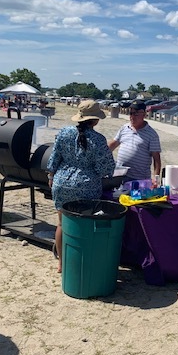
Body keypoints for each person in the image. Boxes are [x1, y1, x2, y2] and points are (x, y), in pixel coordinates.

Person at [47, 100, 115, 272]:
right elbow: (105, 168)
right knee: (84, 225)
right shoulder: (98, 139)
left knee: (62, 224)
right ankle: (81, 264)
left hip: (62, 182)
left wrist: (51, 176)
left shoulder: (64, 132)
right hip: (86, 185)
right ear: (96, 120)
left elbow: (53, 158)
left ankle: (62, 263)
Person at [108, 100, 162, 182]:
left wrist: (156, 178)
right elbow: (113, 144)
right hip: (120, 176)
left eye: (136, 114)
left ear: (144, 114)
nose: (132, 117)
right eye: (131, 113)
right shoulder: (124, 128)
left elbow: (156, 159)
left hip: (139, 179)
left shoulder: (152, 134)